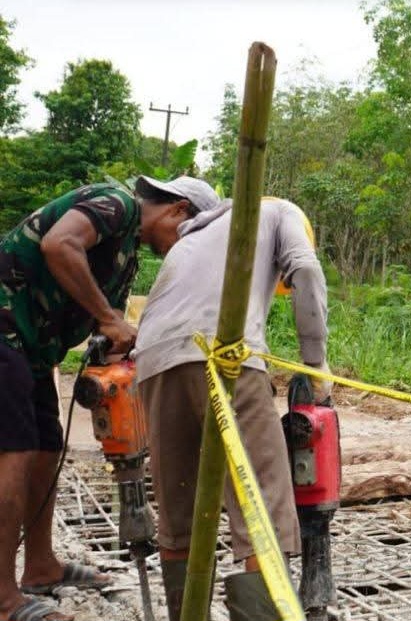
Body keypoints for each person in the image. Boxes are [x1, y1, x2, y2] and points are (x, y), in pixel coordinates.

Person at [0, 177, 212, 621]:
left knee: (44, 449)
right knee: (12, 453)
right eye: (188, 232)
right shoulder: (116, 203)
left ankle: (40, 567)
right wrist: (108, 318)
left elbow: (106, 330)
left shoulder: (126, 257)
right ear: (176, 209)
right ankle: (3, 600)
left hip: (33, 348)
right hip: (4, 328)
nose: (181, 247)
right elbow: (59, 246)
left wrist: (126, 344)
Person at [133, 190, 329, 621]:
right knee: (264, 505)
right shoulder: (280, 212)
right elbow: (307, 271)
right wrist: (316, 364)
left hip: (152, 362)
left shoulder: (189, 239)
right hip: (222, 357)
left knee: (179, 508)